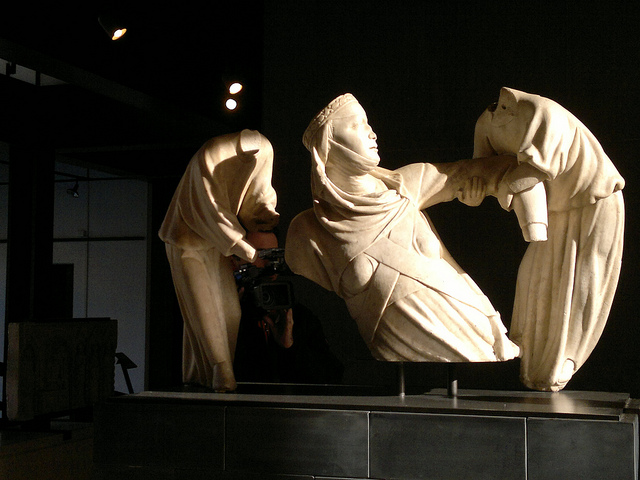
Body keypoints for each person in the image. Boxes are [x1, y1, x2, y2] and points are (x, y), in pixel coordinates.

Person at [285, 93, 521, 364]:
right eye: (357, 124)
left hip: (470, 334)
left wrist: (535, 170)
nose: (372, 133)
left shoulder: (404, 187)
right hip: (396, 355)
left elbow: (478, 171)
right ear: (328, 144)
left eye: (368, 123)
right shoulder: (308, 232)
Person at [473, 87, 625, 391]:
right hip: (556, 209)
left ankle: (565, 360)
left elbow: (533, 171)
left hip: (596, 200)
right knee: (534, 278)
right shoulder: (485, 124)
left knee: (584, 279)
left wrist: (505, 187)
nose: (500, 111)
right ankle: (532, 362)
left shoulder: (541, 112)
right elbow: (479, 171)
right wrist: (478, 186)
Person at [159, 130, 279, 392]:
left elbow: (258, 194)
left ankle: (197, 373)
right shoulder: (212, 154)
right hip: (186, 241)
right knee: (204, 310)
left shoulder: (263, 149)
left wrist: (265, 213)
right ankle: (220, 370)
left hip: (215, 246)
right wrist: (249, 252)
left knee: (231, 312)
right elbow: (210, 209)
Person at [233, 231, 344, 384]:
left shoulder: (299, 317)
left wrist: (289, 347)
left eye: (273, 256)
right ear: (234, 259)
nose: (270, 265)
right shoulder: (223, 315)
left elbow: (329, 380)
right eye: (258, 255)